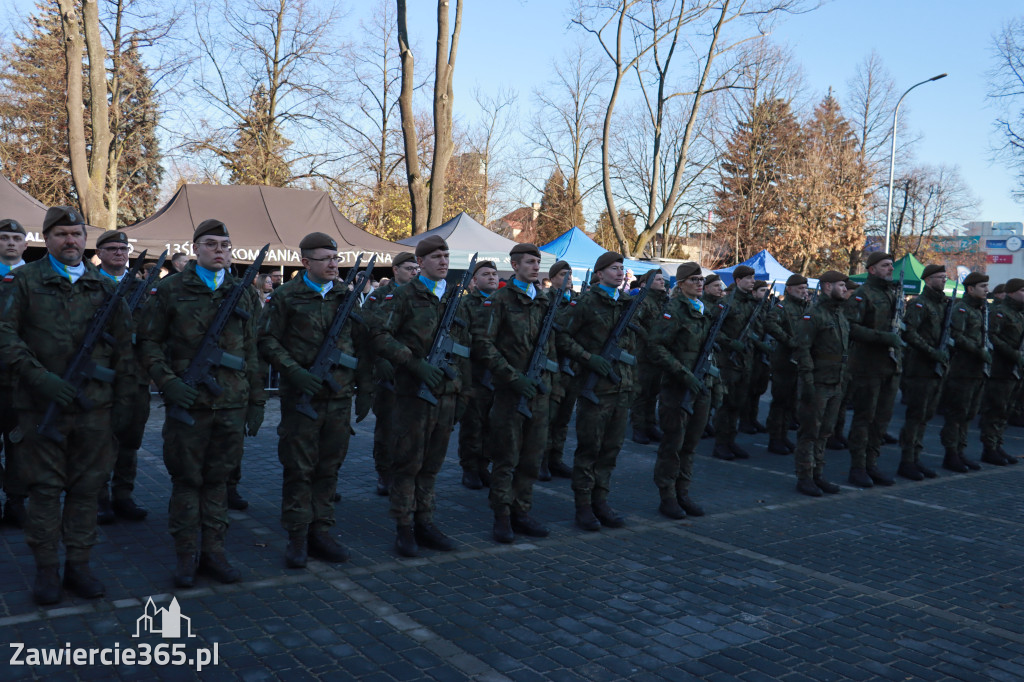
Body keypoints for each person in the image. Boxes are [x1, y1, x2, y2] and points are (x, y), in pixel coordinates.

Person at [0, 207, 135, 605]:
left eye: (76, 234)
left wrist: (126, 404)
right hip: (39, 409)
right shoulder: (22, 281)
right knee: (44, 492)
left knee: (86, 491)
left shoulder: (103, 286)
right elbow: (5, 335)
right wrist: (39, 377)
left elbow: (126, 347)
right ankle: (46, 570)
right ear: (47, 239)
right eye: (61, 234)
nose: (71, 241)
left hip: (94, 410)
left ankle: (79, 565)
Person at [138, 219, 265, 588]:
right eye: (211, 244)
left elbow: (252, 351)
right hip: (189, 404)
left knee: (218, 483)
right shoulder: (170, 290)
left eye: (225, 244)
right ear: (195, 249)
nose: (220, 250)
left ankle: (214, 552)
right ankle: (185, 555)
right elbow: (148, 343)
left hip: (230, 405)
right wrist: (167, 383)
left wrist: (257, 400)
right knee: (187, 482)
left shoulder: (242, 293)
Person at [258, 232, 373, 569]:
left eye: (336, 259)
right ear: (306, 262)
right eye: (326, 259)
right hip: (301, 398)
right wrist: (294, 371)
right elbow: (267, 340)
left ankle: (321, 531)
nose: (334, 264)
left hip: (337, 399)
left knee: (329, 469)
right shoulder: (285, 297)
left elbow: (362, 343)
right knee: (299, 469)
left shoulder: (345, 296)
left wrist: (364, 387)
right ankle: (297, 535)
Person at [372, 236, 469, 557]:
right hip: (414, 395)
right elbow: (379, 335)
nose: (443, 261)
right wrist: (413, 364)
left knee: (431, 465)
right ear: (421, 261)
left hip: (446, 395)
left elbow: (465, 350)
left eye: (446, 255)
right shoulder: (403, 296)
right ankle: (404, 528)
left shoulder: (454, 298)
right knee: (408, 465)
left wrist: (463, 391)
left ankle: (425, 522)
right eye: (436, 256)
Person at [473, 244, 557, 543]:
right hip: (510, 393)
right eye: (530, 262)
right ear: (515, 265)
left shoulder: (545, 300)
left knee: (532, 458)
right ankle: (502, 516)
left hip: (539, 392)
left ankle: (522, 511)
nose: (536, 267)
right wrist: (512, 378)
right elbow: (484, 345)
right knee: (506, 458)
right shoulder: (500, 299)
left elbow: (551, 345)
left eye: (538, 262)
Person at [558, 251, 643, 531]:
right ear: (599, 274)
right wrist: (587, 357)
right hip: (596, 389)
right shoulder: (586, 303)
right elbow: (560, 334)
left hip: (622, 386)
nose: (620, 273)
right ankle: (583, 506)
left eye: (622, 268)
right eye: (614, 268)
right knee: (589, 450)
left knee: (611, 450)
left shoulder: (628, 303)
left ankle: (601, 502)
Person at [647, 262, 714, 519]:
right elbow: (656, 347)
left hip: (699, 387)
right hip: (677, 388)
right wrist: (683, 374)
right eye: (694, 279)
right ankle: (668, 496)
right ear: (682, 283)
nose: (700, 283)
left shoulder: (702, 310)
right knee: (673, 444)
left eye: (701, 279)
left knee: (690, 445)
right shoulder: (673, 310)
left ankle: (683, 492)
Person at [94, 230, 150, 524]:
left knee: (130, 439)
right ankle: (99, 498)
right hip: (100, 377)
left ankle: (123, 496)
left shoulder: (144, 287)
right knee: (100, 438)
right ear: (99, 252)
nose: (119, 253)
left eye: (123, 248)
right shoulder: (88, 285)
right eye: (112, 248)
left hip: (136, 376)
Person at [844, 252, 903, 487]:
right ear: (871, 269)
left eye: (891, 266)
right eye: (885, 265)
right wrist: (883, 338)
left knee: (882, 420)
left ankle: (872, 464)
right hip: (867, 366)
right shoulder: (861, 295)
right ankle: (857, 467)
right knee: (864, 419)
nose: (890, 269)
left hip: (890, 366)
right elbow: (851, 327)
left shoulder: (893, 294)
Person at [362, 251, 418, 496]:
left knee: (410, 427)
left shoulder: (420, 296)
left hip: (412, 370)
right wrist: (378, 360)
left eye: (416, 268)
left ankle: (406, 472)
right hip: (387, 372)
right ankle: (384, 472)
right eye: (409, 268)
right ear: (395, 270)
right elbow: (367, 331)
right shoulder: (379, 296)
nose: (414, 272)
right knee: (386, 427)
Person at [792, 271, 849, 497]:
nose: (845, 289)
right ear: (827, 286)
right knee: (810, 432)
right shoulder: (814, 314)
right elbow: (803, 350)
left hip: (835, 381)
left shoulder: (839, 314)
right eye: (841, 285)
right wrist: (807, 383)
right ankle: (805, 477)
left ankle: (818, 474)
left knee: (825, 432)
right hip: (817, 382)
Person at [897, 265, 950, 480]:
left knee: (925, 417)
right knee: (915, 416)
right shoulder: (920, 304)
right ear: (928, 280)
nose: (944, 280)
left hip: (934, 370)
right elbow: (909, 333)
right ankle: (907, 461)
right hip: (919, 368)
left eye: (946, 277)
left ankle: (915, 458)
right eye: (940, 277)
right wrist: (932, 352)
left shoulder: (943, 304)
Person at [938, 271, 991, 472]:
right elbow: (957, 336)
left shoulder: (981, 309)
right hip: (962, 369)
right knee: (957, 414)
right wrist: (979, 351)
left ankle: (960, 451)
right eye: (983, 286)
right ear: (970, 289)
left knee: (969, 414)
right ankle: (951, 454)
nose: (987, 290)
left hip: (977, 370)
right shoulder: (962, 309)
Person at [708, 265, 758, 461]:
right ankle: (720, 444)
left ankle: (731, 440)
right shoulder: (727, 302)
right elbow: (713, 328)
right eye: (749, 278)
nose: (753, 281)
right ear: (738, 281)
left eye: (753, 278)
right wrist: (731, 343)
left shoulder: (750, 303)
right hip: (727, 362)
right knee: (726, 404)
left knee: (738, 403)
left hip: (745, 361)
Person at [459, 260, 500, 490]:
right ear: (474, 281)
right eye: (486, 274)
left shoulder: (500, 302)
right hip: (474, 374)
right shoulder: (465, 304)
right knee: (473, 425)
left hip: (497, 374)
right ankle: (470, 468)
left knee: (492, 425)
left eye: (494, 274)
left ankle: (484, 465)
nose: (492, 277)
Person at [0, 218, 29, 528]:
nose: (9, 242)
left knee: (20, 444)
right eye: (4, 237)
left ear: (25, 244)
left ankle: (16, 502)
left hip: (22, 378)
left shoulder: (36, 280)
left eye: (15, 238)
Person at [980, 278, 1024, 465]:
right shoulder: (1000, 312)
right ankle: (989, 448)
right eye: (1022, 290)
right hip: (1001, 368)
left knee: (1005, 411)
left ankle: (997, 445)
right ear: (1012, 292)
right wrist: (1013, 354)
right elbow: (992, 338)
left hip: (1014, 370)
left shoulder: (1019, 314)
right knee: (995, 410)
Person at [764, 274, 809, 455]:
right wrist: (788, 340)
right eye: (800, 289)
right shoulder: (783, 307)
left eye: (805, 289)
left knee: (791, 401)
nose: (804, 292)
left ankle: (783, 436)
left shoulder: (805, 307)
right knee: (780, 401)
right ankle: (775, 438)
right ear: (789, 289)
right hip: (783, 360)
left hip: (797, 361)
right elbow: (770, 323)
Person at [542, 261, 577, 480]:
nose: (568, 278)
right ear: (553, 277)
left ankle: (556, 458)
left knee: (563, 419)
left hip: (571, 366)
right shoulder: (544, 300)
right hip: (551, 364)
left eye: (570, 274)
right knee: (547, 418)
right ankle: (541, 460)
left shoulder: (576, 300)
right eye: (563, 274)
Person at [630, 270, 669, 445]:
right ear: (646, 283)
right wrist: (648, 337)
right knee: (641, 393)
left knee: (653, 392)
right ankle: (639, 428)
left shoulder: (662, 301)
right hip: (644, 354)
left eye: (662, 279)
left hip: (658, 354)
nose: (662, 282)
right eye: (658, 279)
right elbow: (633, 321)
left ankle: (650, 424)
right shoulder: (643, 300)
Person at [740, 280, 772, 435]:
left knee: (758, 390)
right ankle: (745, 420)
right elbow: (748, 331)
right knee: (749, 389)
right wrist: (760, 344)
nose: (765, 293)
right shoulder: (751, 308)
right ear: (753, 292)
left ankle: (753, 418)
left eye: (767, 290)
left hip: (762, 356)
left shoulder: (766, 307)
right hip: (751, 353)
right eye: (762, 290)